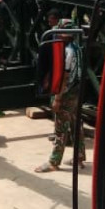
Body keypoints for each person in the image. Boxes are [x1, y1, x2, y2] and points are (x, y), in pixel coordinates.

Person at [35, 21, 86, 172]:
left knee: (60, 127)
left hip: (66, 92)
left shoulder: (67, 51)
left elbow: (65, 76)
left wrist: (57, 98)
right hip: (76, 90)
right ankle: (79, 156)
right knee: (76, 123)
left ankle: (54, 162)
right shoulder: (78, 49)